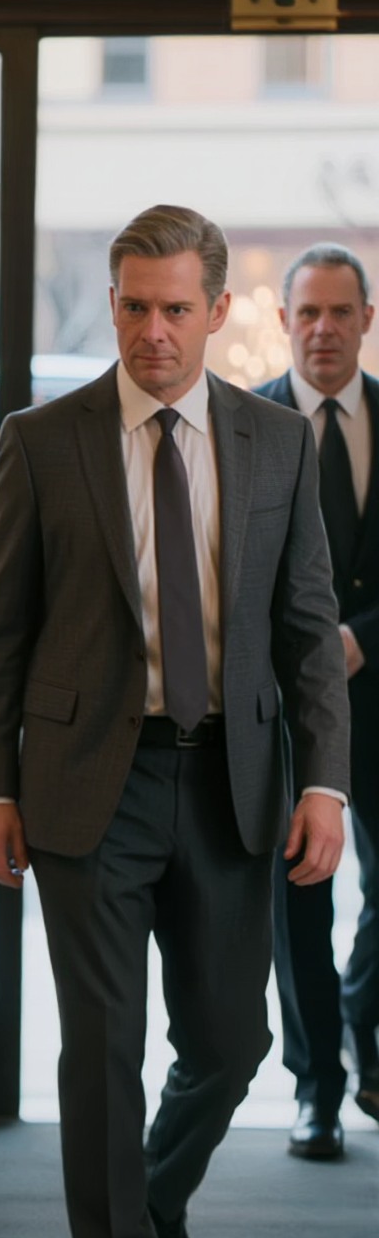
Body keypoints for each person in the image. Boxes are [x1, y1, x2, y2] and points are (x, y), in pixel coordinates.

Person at [0, 204, 350, 1238]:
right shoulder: (43, 439)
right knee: (99, 1056)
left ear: (216, 311)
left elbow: (303, 631)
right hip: (88, 781)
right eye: (131, 306)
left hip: (230, 780)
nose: (150, 331)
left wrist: (325, 780)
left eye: (173, 307)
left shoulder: (272, 443)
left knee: (232, 1040)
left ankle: (153, 1200)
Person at [259, 242, 379, 1159]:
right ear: (285, 319)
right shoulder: (248, 425)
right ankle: (318, 1091)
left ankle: (362, 1025)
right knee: (299, 900)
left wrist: (359, 635)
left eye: (341, 313)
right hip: (287, 719)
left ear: (366, 321)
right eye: (309, 313)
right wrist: (308, 646)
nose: (324, 330)